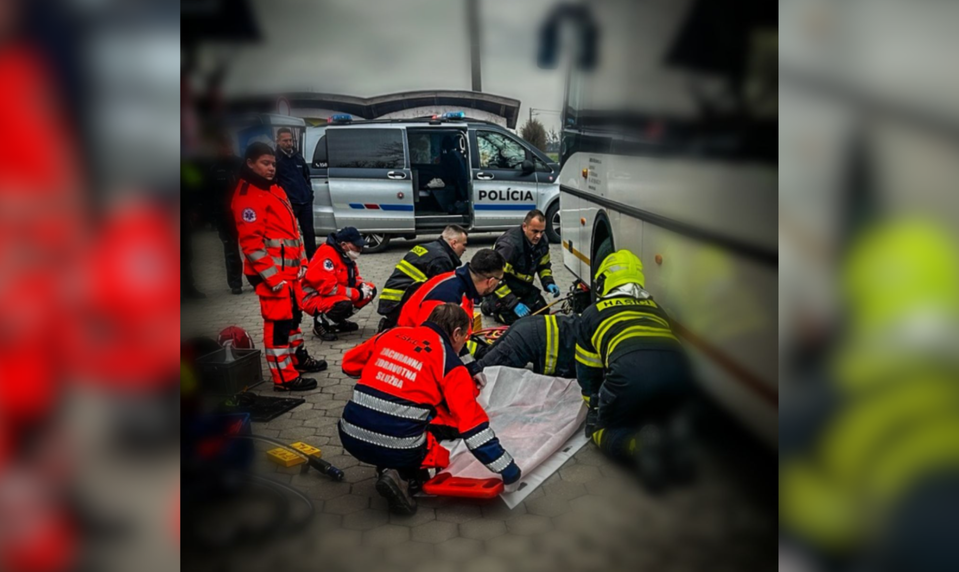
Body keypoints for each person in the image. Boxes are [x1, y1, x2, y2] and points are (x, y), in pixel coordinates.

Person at [340, 303, 521, 515]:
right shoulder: (451, 365)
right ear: (456, 333)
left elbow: (348, 365)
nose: (464, 344)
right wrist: (509, 470)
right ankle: (405, 477)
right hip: (398, 447)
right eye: (465, 338)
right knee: (438, 447)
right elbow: (474, 430)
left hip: (349, 435)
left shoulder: (391, 334)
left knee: (415, 415)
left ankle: (390, 467)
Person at [574, 250, 692, 490]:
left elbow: (588, 370)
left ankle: (639, 446)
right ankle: (673, 442)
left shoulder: (592, 313)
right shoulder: (657, 307)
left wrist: (594, 405)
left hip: (631, 373)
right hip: (679, 370)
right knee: (652, 411)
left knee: (601, 430)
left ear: (604, 280)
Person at [231, 142, 328, 392]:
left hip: (288, 273)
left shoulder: (273, 188)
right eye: (265, 163)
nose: (271, 168)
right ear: (250, 163)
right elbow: (252, 246)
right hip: (272, 277)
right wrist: (274, 280)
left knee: (293, 319)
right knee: (278, 326)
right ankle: (284, 378)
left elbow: (292, 232)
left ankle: (297, 359)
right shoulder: (248, 197)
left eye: (273, 163)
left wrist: (302, 262)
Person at [377, 225, 468, 331]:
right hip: (399, 303)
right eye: (464, 244)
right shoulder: (442, 259)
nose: (465, 249)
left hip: (390, 299)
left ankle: (391, 325)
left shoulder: (427, 247)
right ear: (454, 243)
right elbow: (444, 292)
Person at [396, 249, 505, 336]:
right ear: (491, 282)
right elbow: (430, 341)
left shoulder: (464, 287)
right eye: (499, 280)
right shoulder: (447, 298)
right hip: (410, 348)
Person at [297, 227, 377, 341]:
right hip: (312, 298)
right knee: (344, 303)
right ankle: (320, 323)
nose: (360, 249)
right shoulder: (327, 255)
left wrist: (361, 286)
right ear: (344, 244)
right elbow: (329, 288)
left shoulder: (344, 254)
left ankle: (337, 320)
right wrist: (358, 293)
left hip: (329, 294)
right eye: (356, 246)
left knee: (370, 290)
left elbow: (352, 278)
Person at [481, 209, 560, 325]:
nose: (538, 236)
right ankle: (489, 305)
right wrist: (514, 304)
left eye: (542, 232)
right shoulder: (509, 247)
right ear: (524, 227)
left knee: (542, 310)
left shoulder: (542, 241)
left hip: (522, 286)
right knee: (514, 320)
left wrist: (548, 283)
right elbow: (495, 279)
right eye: (535, 231)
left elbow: (544, 265)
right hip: (500, 287)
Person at [466, 314, 580, 379]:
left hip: (529, 324)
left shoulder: (588, 323)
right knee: (482, 373)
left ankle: (463, 351)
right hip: (529, 339)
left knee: (486, 355)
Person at [208, 134, 244, 294]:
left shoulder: (241, 164)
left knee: (251, 247)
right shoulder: (214, 168)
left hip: (244, 213)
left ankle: (256, 278)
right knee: (231, 250)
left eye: (229, 145)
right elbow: (209, 194)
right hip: (224, 214)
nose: (228, 149)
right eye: (224, 146)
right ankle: (235, 283)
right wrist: (213, 217)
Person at [275, 127, 317, 260]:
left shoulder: (298, 157)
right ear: (278, 141)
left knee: (309, 233)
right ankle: (293, 260)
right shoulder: (276, 159)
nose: (288, 143)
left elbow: (306, 177)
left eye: (290, 140)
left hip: (305, 202)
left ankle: (312, 261)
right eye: (285, 141)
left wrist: (309, 194)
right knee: (290, 234)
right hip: (289, 203)